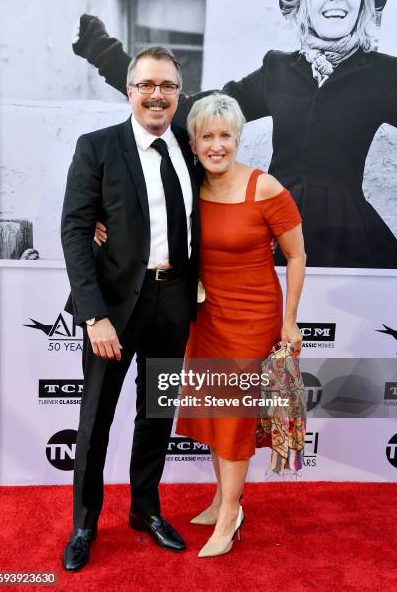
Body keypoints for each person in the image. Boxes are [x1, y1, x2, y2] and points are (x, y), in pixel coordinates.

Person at [95, 94, 306, 558]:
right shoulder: (189, 183)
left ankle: (231, 514)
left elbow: (296, 255)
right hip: (204, 315)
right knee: (214, 412)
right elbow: (139, 210)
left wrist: (290, 319)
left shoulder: (264, 187)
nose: (216, 146)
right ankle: (221, 499)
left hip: (252, 316)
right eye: (206, 136)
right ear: (192, 141)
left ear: (237, 139)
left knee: (232, 416)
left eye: (224, 136)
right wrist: (101, 224)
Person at [72, 0, 397, 269]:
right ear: (305, 3)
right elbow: (194, 112)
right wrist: (103, 52)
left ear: (364, 1)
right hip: (272, 229)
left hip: (346, 235)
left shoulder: (384, 74)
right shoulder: (278, 69)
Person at [60, 46, 201, 571]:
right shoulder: (97, 147)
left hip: (173, 301)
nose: (157, 94)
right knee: (95, 421)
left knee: (157, 413)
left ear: (179, 94)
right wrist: (94, 315)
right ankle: (84, 524)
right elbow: (76, 231)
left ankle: (145, 510)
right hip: (113, 310)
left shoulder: (191, 148)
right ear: (129, 91)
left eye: (167, 85)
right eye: (146, 85)